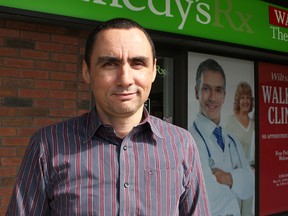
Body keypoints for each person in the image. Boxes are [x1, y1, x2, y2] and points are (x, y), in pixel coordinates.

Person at [6, 18, 210, 216]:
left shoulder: (181, 144)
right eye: (110, 63)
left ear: (154, 71)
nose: (125, 79)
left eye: (137, 63)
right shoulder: (48, 146)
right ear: (87, 71)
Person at [188, 58, 254, 216]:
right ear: (197, 92)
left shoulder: (231, 140)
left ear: (224, 95)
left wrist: (226, 177)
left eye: (218, 90)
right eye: (206, 89)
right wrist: (238, 180)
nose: (212, 97)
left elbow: (250, 186)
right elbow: (208, 199)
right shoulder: (190, 140)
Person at [226, 81, 255, 216]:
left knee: (247, 211)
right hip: (236, 176)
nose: (245, 101)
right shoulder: (230, 122)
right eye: (242, 97)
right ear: (238, 100)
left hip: (250, 175)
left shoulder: (255, 124)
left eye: (248, 97)